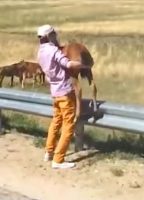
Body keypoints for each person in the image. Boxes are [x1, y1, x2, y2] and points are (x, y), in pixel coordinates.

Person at [37, 24, 87, 169]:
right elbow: (68, 64)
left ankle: (49, 151)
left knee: (56, 122)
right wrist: (83, 66)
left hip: (54, 92)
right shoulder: (53, 50)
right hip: (65, 91)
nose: (55, 36)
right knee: (68, 125)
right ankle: (58, 160)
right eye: (53, 34)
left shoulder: (40, 52)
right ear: (48, 36)